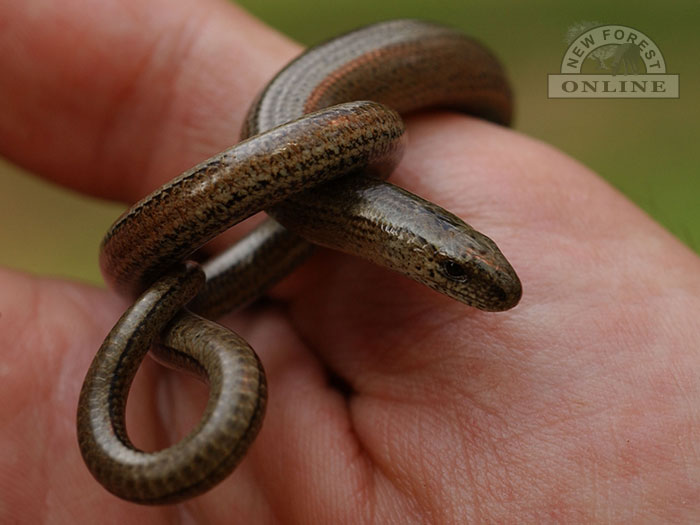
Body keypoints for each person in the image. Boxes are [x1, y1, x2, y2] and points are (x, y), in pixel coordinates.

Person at [1, 0, 698, 522]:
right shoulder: (335, 160)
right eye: (455, 270)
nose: (466, 280)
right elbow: (350, 151)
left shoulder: (328, 189)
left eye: (461, 269)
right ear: (415, 248)